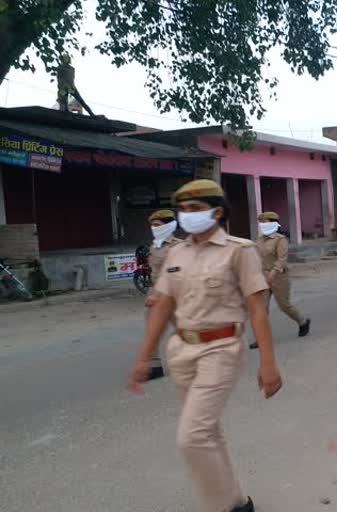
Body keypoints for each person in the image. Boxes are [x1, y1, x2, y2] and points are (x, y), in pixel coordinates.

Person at [129, 179, 282, 512]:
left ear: (217, 211)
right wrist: (144, 358)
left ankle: (218, 506)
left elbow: (257, 309)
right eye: (183, 210)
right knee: (208, 432)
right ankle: (238, 502)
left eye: (195, 209)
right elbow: (163, 306)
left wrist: (268, 362)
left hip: (221, 348)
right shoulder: (175, 252)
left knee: (192, 437)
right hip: (182, 350)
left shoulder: (239, 251)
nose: (188, 216)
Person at [251, 211, 310, 348]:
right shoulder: (259, 240)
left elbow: (282, 258)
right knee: (261, 309)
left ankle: (302, 321)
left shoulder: (280, 239)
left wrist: (273, 271)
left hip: (279, 277)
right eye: (261, 223)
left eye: (264, 222)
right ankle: (261, 338)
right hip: (263, 276)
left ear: (272, 223)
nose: (262, 225)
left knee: (284, 305)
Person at [145, 209, 182, 380]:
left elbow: (173, 273)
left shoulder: (178, 246)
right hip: (157, 294)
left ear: (169, 225)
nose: (154, 228)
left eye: (158, 225)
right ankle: (154, 366)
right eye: (152, 225)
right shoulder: (154, 246)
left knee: (185, 329)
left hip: (174, 295)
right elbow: (155, 272)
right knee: (152, 330)